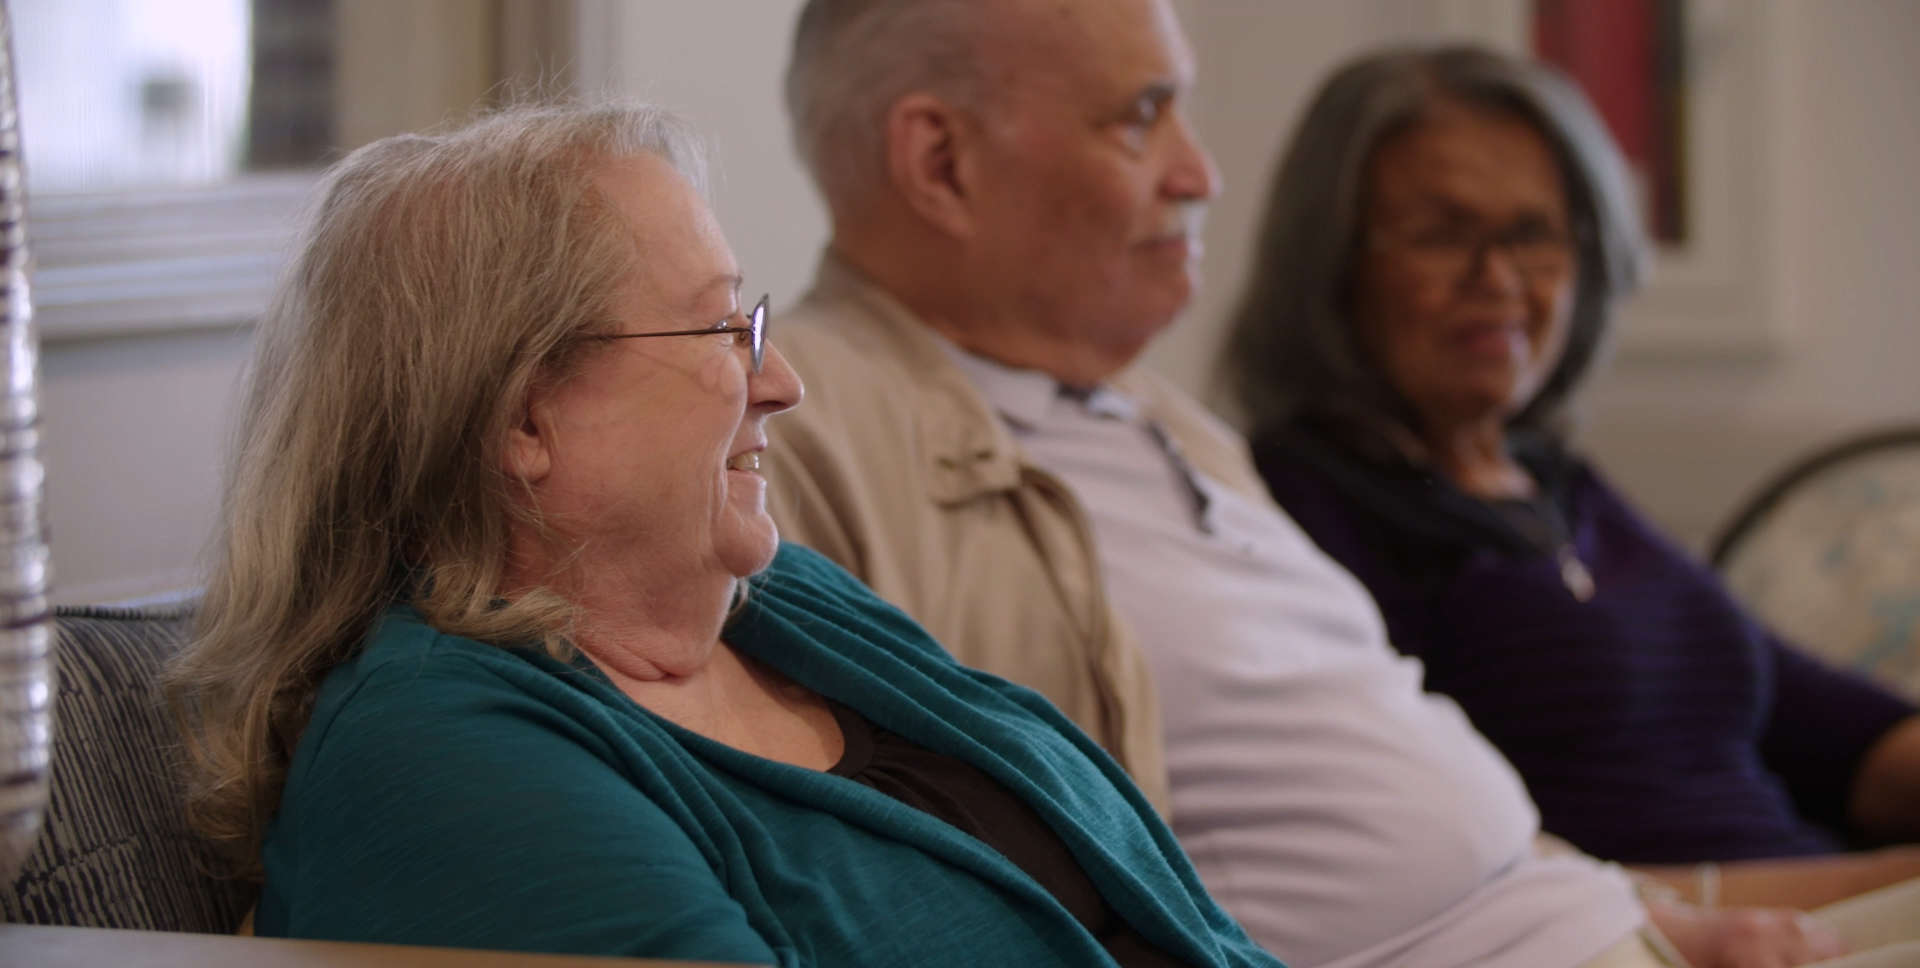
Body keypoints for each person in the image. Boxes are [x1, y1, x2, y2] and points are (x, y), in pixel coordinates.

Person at [762, 0, 1869, 967]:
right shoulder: (796, 427)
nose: (1201, 173)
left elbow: (1405, 762)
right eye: (1142, 115)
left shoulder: (1173, 426)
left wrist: (1652, 913)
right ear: (942, 163)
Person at [164, 103, 1289, 968]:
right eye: (719, 329)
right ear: (522, 418)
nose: (782, 384)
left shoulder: (792, 604)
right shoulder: (439, 754)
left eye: (752, 323)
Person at [1220, 45, 1920, 912]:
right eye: (1442, 234)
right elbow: (1456, 885)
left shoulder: (1556, 483)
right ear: (1330, 265)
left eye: (1533, 234)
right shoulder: (1302, 507)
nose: (1501, 281)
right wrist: (1872, 887)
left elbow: (1841, 736)